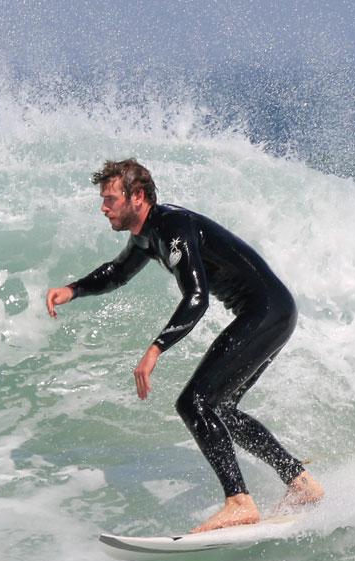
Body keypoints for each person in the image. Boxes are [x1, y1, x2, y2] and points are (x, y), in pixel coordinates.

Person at [46, 159, 323, 532]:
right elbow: (117, 272)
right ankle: (300, 482)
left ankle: (239, 502)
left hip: (267, 311)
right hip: (270, 312)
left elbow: (197, 297)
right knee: (219, 409)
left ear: (138, 196)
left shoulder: (174, 226)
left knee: (195, 403)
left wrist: (155, 349)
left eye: (110, 199)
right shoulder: (146, 236)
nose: (103, 207)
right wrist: (74, 290)